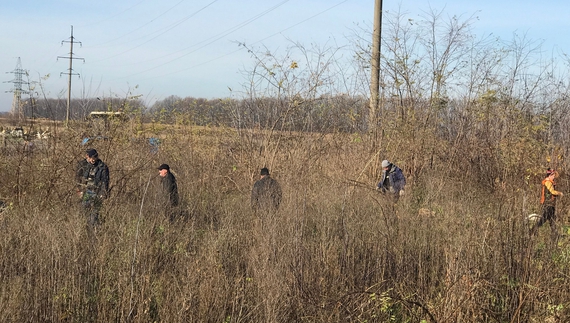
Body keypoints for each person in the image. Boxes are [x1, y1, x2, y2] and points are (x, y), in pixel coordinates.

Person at [79, 149, 110, 228]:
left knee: (95, 214)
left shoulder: (102, 167)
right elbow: (83, 179)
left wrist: (103, 194)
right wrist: (81, 190)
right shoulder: (87, 166)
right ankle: (86, 229)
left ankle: (95, 230)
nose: (93, 159)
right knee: (84, 212)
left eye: (94, 157)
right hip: (88, 192)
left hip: (97, 193)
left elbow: (105, 182)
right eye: (91, 157)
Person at [532, 168, 563, 240]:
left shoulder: (550, 182)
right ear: (550, 175)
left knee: (552, 220)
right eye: (553, 175)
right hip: (547, 204)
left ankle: (555, 235)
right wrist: (560, 193)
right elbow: (552, 191)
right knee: (543, 220)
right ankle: (532, 231)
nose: (554, 177)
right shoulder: (547, 182)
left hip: (550, 204)